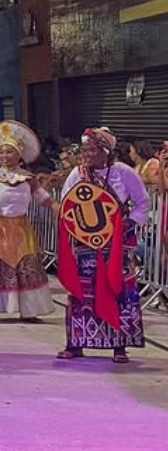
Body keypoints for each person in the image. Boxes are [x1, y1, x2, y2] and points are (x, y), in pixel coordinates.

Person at [57, 127, 148, 363]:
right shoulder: (77, 175)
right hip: (85, 242)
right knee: (82, 291)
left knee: (117, 289)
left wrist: (129, 223)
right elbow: (67, 204)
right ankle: (76, 342)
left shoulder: (124, 173)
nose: (86, 154)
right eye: (84, 150)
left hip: (117, 243)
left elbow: (142, 203)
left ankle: (119, 345)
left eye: (92, 150)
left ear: (106, 151)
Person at [0, 121, 55, 320]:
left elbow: (43, 198)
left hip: (22, 229)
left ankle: (29, 310)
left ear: (20, 154)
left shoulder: (28, 178)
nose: (5, 156)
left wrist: (61, 208)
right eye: (2, 152)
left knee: (26, 268)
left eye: (10, 152)